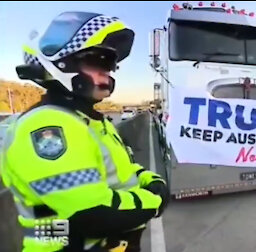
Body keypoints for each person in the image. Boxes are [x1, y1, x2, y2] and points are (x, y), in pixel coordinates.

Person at [0, 11, 169, 252]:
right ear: (63, 64)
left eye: (111, 64)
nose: (108, 72)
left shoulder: (88, 122)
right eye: (99, 60)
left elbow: (118, 169)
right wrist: (155, 200)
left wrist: (149, 178)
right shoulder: (47, 126)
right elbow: (91, 213)